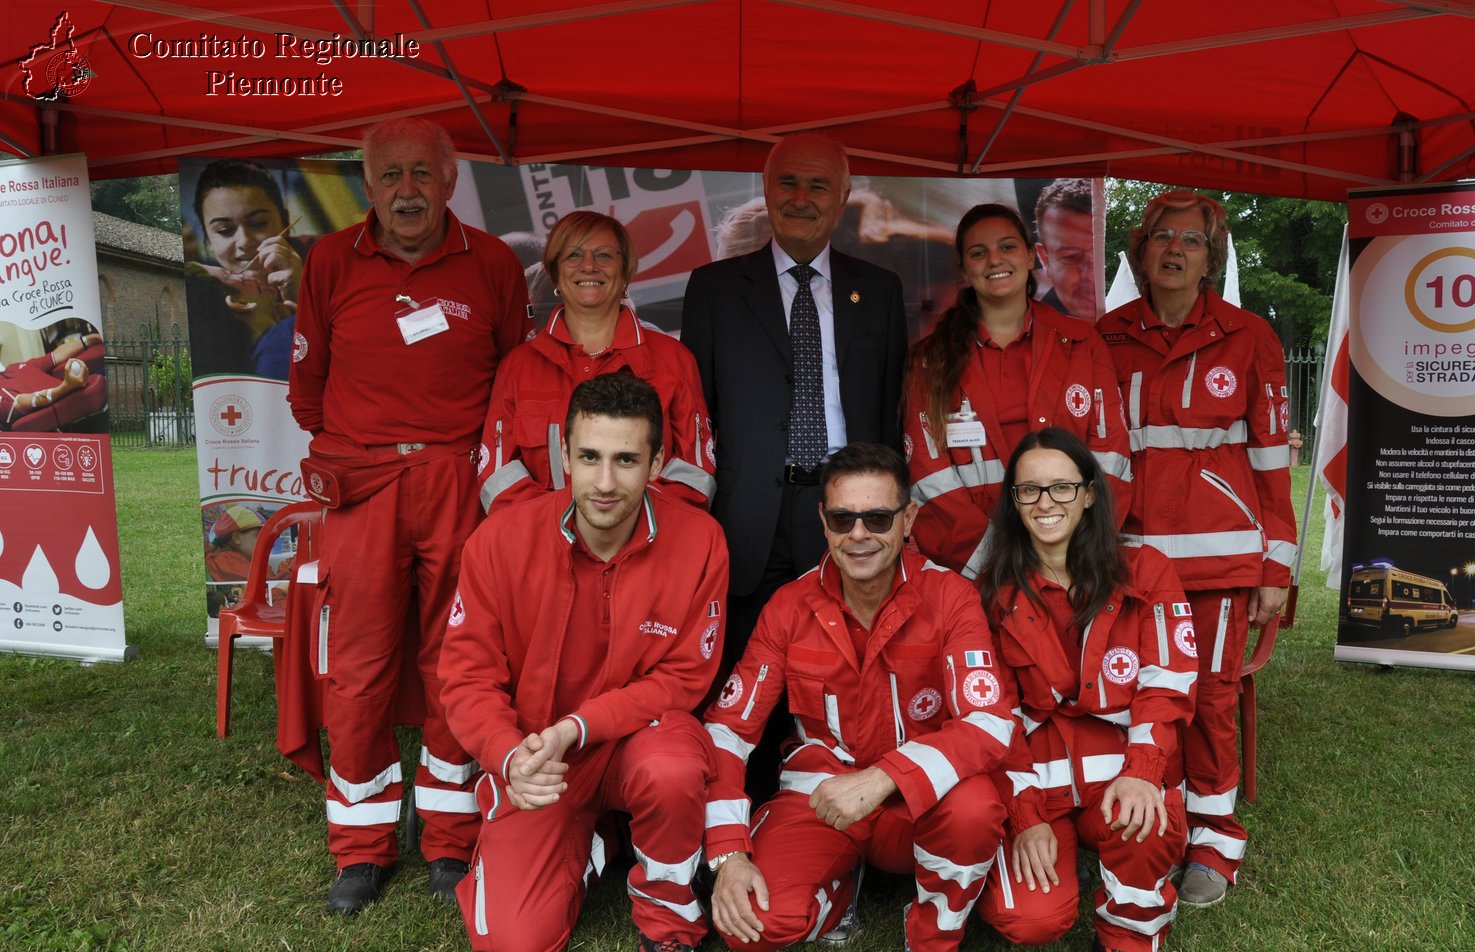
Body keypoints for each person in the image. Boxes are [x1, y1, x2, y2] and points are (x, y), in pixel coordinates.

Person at [288, 117, 532, 915]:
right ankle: (360, 848)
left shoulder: (492, 263)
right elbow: (307, 389)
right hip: (363, 486)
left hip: (458, 481)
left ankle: (449, 838)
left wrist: (445, 456)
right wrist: (370, 448)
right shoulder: (328, 261)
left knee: (455, 660)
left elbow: (512, 380)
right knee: (357, 668)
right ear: (367, 184)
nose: (406, 191)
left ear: (450, 177)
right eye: (389, 175)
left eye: (421, 174)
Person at [438, 372, 727, 952]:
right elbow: (466, 673)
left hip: (634, 742)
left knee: (675, 765)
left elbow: (683, 679)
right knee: (517, 943)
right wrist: (508, 754)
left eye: (627, 460)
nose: (604, 482)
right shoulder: (498, 542)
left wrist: (579, 725)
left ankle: (670, 927)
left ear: (657, 462)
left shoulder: (702, 540)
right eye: (589, 457)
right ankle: (596, 847)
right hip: (540, 758)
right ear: (562, 455)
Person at [703, 443, 1012, 952]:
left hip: (915, 807)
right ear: (823, 520)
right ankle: (839, 886)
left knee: (974, 807)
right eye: (843, 518)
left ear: (909, 519)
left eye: (878, 517)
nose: (860, 534)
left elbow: (990, 725)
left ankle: (932, 945)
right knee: (753, 928)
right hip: (821, 801)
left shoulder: (951, 597)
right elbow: (727, 732)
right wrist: (726, 854)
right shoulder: (788, 606)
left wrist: (883, 776)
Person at [1096, 188, 1296, 907]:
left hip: (1221, 567)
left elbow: (1274, 463)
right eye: (1160, 238)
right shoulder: (1106, 336)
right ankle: (1162, 828)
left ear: (1212, 258)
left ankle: (1215, 844)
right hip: (1130, 563)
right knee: (1138, 698)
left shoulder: (1251, 338)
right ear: (1139, 253)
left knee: (1210, 700)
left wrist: (1278, 565)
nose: (1174, 250)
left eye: (1190, 240)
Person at [973, 428, 1195, 952]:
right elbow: (992, 713)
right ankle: (1046, 865)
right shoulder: (993, 591)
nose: (1046, 503)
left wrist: (1146, 769)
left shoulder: (1147, 569)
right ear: (1013, 502)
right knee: (1030, 921)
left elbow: (1167, 683)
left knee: (1150, 814)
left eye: (1062, 487)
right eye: (1029, 491)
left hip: (1118, 767)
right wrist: (1023, 817)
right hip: (1037, 779)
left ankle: (1129, 937)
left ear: (1091, 494)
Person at [681, 133, 908, 671]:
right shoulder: (713, 289)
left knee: (844, 670)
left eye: (818, 185)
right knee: (747, 678)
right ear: (766, 188)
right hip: (748, 517)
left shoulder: (879, 290)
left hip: (848, 513)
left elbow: (889, 410)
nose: (801, 197)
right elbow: (694, 412)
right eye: (788, 182)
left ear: (843, 196)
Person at [903, 203, 1131, 580]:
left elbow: (1112, 459)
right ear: (964, 268)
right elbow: (929, 479)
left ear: (1030, 256)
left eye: (1007, 247)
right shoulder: (930, 361)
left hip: (1074, 567)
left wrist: (1069, 554)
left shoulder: (1081, 343)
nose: (995, 260)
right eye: (978, 253)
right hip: (979, 572)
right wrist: (1000, 565)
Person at [477, 210, 714, 513]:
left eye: (604, 255)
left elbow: (696, 470)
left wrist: (624, 527)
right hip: (546, 550)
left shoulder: (674, 359)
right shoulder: (519, 366)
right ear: (555, 272)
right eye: (573, 255)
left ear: (625, 270)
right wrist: (558, 526)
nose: (589, 266)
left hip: (649, 548)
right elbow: (497, 474)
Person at [188, 160, 305, 379]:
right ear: (208, 242)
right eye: (224, 230)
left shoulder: (330, 265)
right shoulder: (205, 309)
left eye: (258, 223)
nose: (244, 241)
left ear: (286, 221)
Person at [1, 330, 101, 430]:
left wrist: (92, 338)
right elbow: (24, 402)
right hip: (69, 403)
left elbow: (56, 355)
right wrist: (66, 386)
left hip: (76, 385)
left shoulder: (13, 368)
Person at [1033, 178, 1101, 322]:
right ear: (1044, 259)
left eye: (1100, 257)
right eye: (1070, 257)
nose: (1090, 275)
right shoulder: (1027, 335)